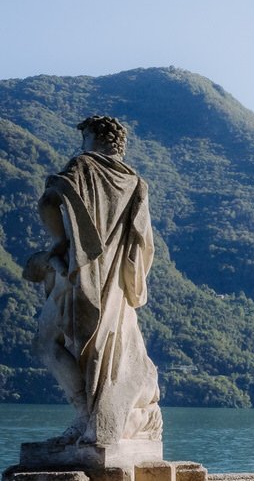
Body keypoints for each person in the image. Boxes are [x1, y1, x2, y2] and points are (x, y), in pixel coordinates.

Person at [24, 115, 162, 447]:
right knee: (104, 353)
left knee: (46, 343)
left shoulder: (83, 166)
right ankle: (95, 418)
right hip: (116, 289)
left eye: (84, 136)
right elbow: (143, 245)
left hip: (78, 275)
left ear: (92, 139)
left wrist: (59, 244)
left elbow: (49, 199)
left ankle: (86, 415)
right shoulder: (136, 184)